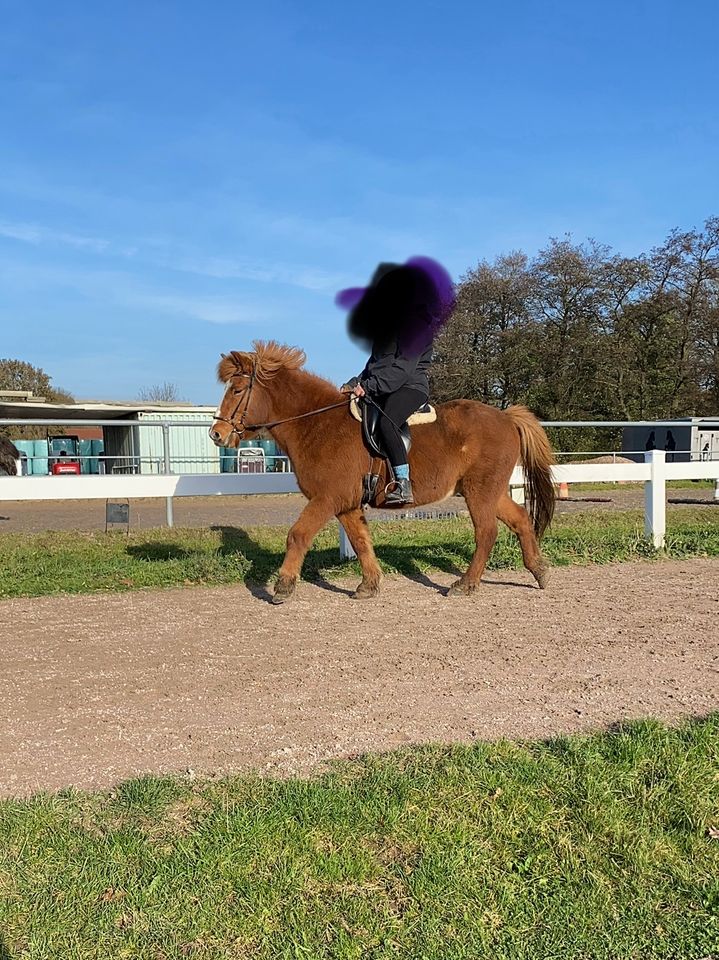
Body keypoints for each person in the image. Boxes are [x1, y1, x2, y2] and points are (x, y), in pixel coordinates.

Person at [337, 257, 454, 505]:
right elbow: (374, 366)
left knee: (388, 423)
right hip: (385, 386)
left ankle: (403, 484)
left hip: (410, 387)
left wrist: (369, 387)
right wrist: (355, 382)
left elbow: (402, 370)